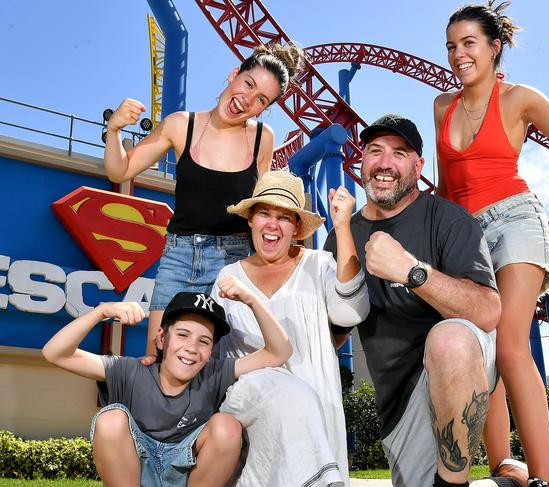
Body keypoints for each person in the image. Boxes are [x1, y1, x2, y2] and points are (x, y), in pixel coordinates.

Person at [434, 2, 549, 486]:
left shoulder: (518, 100)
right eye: (451, 45)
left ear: (493, 48)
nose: (458, 54)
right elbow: (447, 187)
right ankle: (503, 465)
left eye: (469, 43)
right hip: (465, 233)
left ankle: (546, 480)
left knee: (510, 345)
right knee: (481, 349)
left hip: (514, 219)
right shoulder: (442, 106)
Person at [324, 114, 501, 487]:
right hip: (400, 406)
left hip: (460, 368)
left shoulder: (447, 218)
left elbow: (487, 311)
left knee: (449, 338)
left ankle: (454, 483)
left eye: (399, 153)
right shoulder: (342, 236)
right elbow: (333, 336)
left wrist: (412, 272)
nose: (385, 163)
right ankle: (505, 479)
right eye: (375, 151)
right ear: (361, 161)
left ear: (418, 166)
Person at [103, 43, 305, 357]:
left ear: (265, 108)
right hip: (179, 256)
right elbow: (121, 169)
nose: (247, 99)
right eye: (248, 84)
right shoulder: (180, 124)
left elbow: (261, 207)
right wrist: (114, 129)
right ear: (234, 74)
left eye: (261, 99)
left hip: (233, 260)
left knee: (222, 364)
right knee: (159, 357)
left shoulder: (262, 138)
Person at [41, 285, 292, 487]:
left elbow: (278, 352)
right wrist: (102, 311)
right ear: (161, 339)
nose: (192, 348)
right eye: (182, 335)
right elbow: (55, 353)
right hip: (135, 472)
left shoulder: (215, 374)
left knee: (228, 426)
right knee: (111, 418)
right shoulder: (131, 370)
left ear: (211, 351)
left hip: (186, 473)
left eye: (204, 341)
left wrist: (252, 300)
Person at [210, 170, 370, 486]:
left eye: (284, 217)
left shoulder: (320, 264)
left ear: (296, 227)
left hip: (318, 410)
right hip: (255, 421)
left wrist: (342, 227)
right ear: (250, 221)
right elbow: (216, 357)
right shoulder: (227, 278)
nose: (272, 224)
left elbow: (352, 310)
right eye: (264, 214)